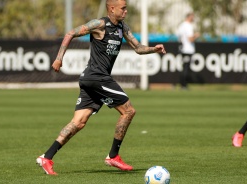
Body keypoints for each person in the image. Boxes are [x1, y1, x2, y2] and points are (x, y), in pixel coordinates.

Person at [36, 0, 166, 175]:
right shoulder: (99, 25)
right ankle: (113, 156)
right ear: (112, 8)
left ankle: (47, 157)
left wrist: (154, 49)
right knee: (128, 111)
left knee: (79, 122)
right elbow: (70, 33)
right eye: (123, 8)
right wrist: (59, 58)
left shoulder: (122, 27)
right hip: (97, 77)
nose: (126, 11)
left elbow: (138, 48)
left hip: (92, 79)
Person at [176, 12, 200, 89]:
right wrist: (196, 35)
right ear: (189, 17)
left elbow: (178, 36)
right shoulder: (188, 26)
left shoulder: (181, 25)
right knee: (186, 68)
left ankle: (182, 84)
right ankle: (183, 85)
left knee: (184, 67)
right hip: (188, 50)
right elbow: (190, 39)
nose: (193, 18)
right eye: (192, 17)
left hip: (182, 49)